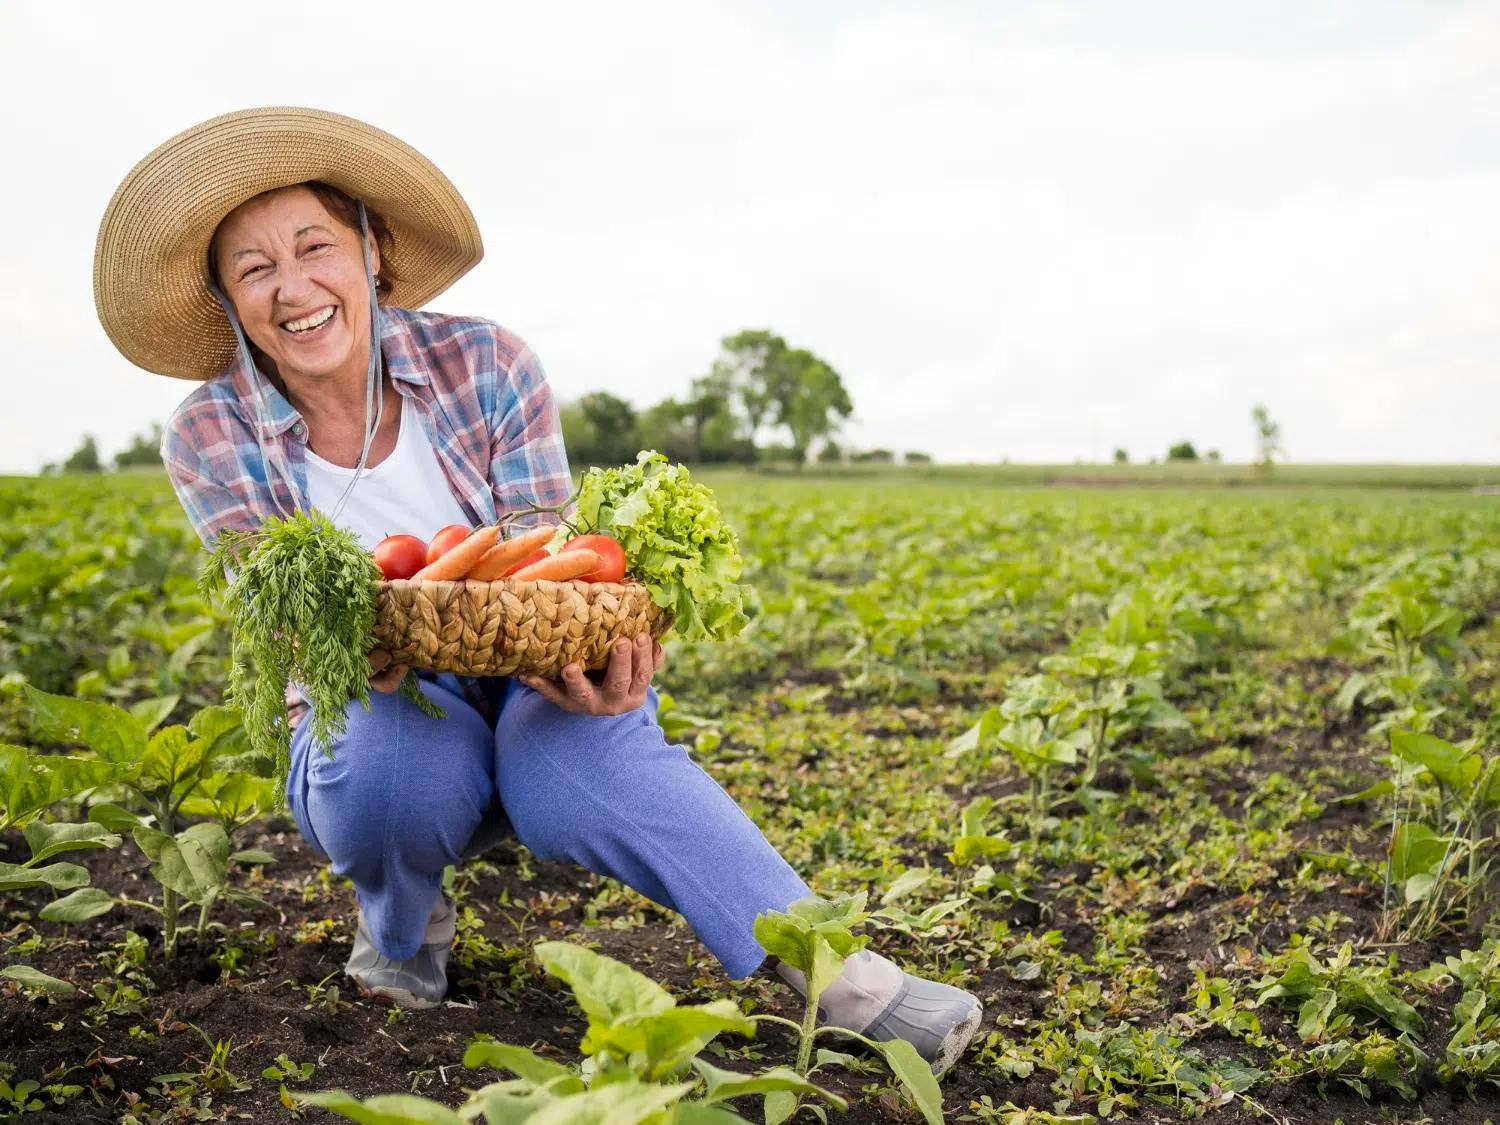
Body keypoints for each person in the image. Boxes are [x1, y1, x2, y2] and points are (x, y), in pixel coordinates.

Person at [93, 106, 983, 1074]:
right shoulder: (209, 435)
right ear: (226, 298)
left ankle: (846, 981)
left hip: (528, 679)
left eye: (315, 246)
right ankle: (403, 934)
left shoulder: (487, 363)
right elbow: (285, 625)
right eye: (254, 268)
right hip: (376, 702)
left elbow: (556, 569)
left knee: (591, 763)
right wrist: (357, 648)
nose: (293, 288)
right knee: (389, 766)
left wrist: (611, 663)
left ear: (372, 251)